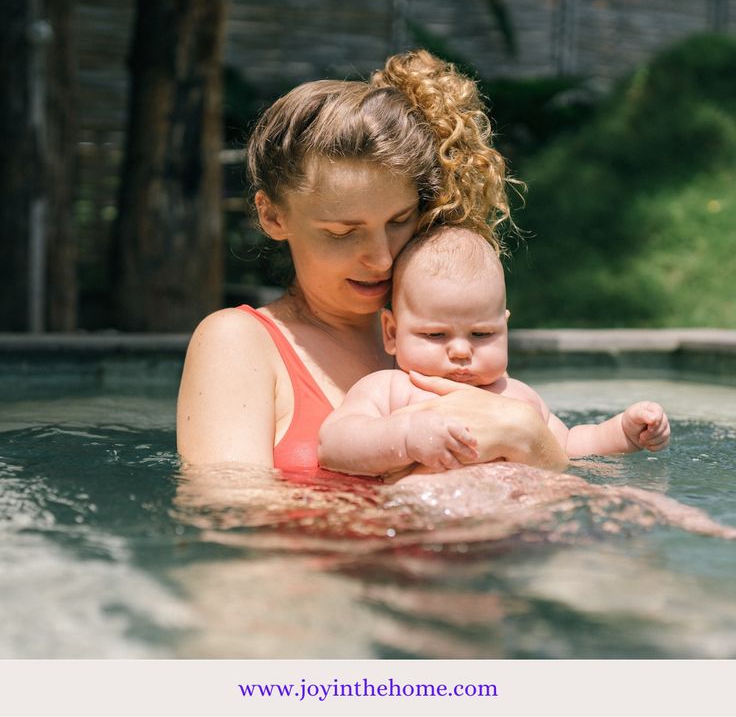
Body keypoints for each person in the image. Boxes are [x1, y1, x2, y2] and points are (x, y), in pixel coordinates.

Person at [176, 50, 568, 474]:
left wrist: (530, 436)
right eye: (343, 232)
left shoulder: (450, 342)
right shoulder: (238, 342)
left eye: (399, 221)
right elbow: (229, 518)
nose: (382, 258)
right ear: (273, 215)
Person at [318, 227, 671, 477]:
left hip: (517, 529)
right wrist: (405, 436)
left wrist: (622, 433)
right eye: (435, 334)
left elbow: (568, 445)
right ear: (392, 333)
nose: (459, 350)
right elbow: (334, 445)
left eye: (482, 333)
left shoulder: (516, 396)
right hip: (425, 528)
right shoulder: (390, 388)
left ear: (504, 327)